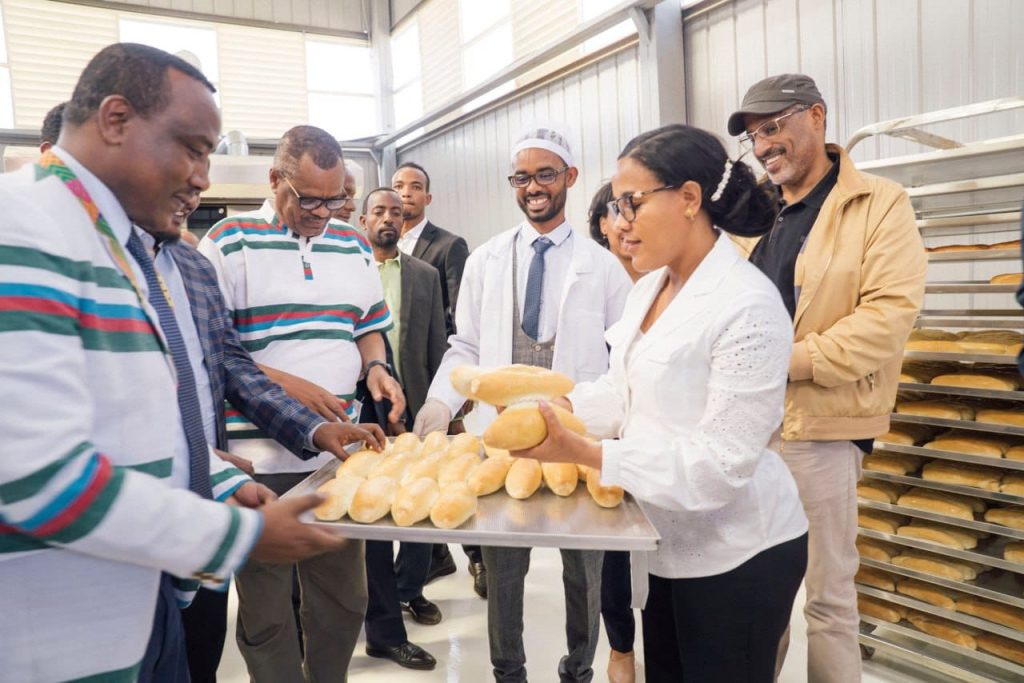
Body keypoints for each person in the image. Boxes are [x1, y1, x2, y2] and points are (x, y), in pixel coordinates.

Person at [0, 42, 348, 682]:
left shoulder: (127, 246)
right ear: (115, 119)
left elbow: (149, 411)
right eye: (192, 147)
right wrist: (235, 536)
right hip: (61, 616)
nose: (202, 177)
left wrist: (214, 482)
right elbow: (29, 474)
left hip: (150, 590)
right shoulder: (21, 227)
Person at [513, 123, 809, 682]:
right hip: (663, 539)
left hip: (738, 555)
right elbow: (621, 391)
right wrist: (556, 410)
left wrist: (581, 450)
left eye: (632, 203)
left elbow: (718, 466)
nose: (619, 222)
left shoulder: (747, 306)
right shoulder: (651, 287)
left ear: (690, 199)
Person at [727, 74, 926, 682]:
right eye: (755, 135)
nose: (763, 146)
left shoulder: (878, 202)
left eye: (774, 127)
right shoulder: (752, 214)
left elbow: (889, 315)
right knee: (758, 596)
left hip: (820, 427)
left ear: (817, 116)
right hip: (744, 426)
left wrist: (788, 362)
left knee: (828, 597)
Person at [415, 124, 631, 683]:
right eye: (522, 177)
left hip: (577, 438)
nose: (532, 186)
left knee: (584, 567)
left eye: (545, 174)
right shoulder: (487, 259)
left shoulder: (603, 266)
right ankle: (507, 670)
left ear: (570, 179)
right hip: (501, 436)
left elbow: (622, 356)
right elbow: (463, 344)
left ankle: (578, 667)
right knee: (503, 566)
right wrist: (441, 403)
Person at [199, 124, 406, 682]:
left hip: (337, 460)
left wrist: (377, 368)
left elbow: (367, 326)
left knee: (344, 601)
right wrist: (290, 385)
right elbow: (212, 352)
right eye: (309, 198)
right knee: (266, 614)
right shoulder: (227, 242)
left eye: (335, 198)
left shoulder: (352, 242)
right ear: (275, 181)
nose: (322, 211)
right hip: (258, 466)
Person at [359, 187, 450, 670]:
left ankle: (409, 590)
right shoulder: (349, 269)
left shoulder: (425, 275)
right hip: (360, 410)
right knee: (371, 512)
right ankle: (380, 615)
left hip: (413, 403)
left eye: (396, 211)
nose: (389, 218)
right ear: (363, 219)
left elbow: (438, 344)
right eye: (379, 211)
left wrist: (443, 406)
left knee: (419, 506)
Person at [391, 161, 479, 594]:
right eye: (398, 186)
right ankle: (438, 556)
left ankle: (478, 557)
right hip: (396, 376)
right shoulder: (376, 246)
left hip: (437, 374)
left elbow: (460, 321)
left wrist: (455, 389)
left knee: (452, 468)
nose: (405, 194)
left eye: (415, 187)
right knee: (414, 469)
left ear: (428, 197)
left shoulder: (447, 245)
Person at [586, 181, 638, 683]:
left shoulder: (665, 279)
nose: (625, 222)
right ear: (601, 222)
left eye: (634, 207)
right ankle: (621, 647)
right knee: (613, 551)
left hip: (648, 431)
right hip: (601, 431)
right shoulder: (591, 276)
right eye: (615, 211)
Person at [589, 181, 642, 283]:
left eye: (636, 211)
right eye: (618, 212)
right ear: (603, 225)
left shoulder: (667, 278)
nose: (627, 224)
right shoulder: (590, 282)